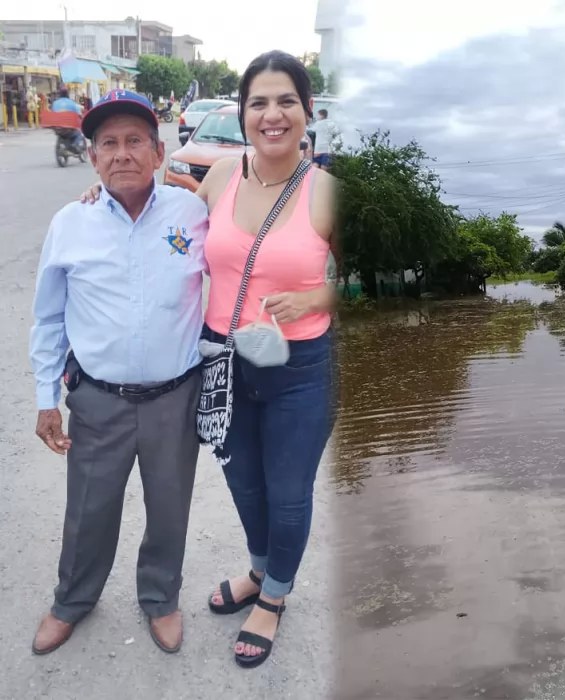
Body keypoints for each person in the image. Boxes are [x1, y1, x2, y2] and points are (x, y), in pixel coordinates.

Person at [83, 50, 339, 669]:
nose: (272, 115)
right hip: (222, 360)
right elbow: (173, 228)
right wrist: (109, 191)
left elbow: (371, 282)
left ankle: (274, 597)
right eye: (259, 102)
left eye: (286, 101)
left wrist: (315, 296)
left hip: (299, 367)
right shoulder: (222, 176)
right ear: (243, 111)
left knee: (287, 492)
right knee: (243, 481)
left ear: (307, 110)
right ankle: (260, 569)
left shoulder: (327, 192)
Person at [30, 89, 209, 656]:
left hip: (175, 398)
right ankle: (72, 601)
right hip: (98, 399)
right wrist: (45, 398)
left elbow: (249, 200)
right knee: (89, 508)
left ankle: (161, 599)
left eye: (135, 141)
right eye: (108, 143)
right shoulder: (71, 222)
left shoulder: (194, 213)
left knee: (169, 508)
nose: (122, 153)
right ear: (92, 157)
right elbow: (48, 318)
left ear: (159, 152)